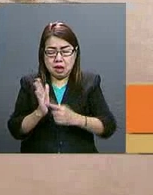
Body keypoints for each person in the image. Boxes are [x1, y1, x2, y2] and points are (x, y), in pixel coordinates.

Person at [7, 21, 118, 153]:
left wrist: (76, 119)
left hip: (81, 164)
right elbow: (15, 130)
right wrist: (39, 113)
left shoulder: (90, 82)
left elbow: (108, 126)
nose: (58, 58)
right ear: (42, 54)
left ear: (75, 53)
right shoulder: (30, 83)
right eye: (51, 52)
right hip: (37, 165)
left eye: (65, 51)